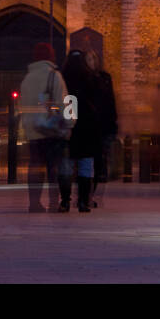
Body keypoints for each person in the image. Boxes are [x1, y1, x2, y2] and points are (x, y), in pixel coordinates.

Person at [19, 42, 71, 212]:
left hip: (32, 129)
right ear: (51, 56)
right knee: (53, 168)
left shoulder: (27, 79)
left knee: (35, 166)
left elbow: (22, 105)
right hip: (50, 129)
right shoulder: (54, 76)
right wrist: (69, 124)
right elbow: (64, 103)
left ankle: (34, 203)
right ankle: (54, 202)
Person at [61, 50, 104, 212]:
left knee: (66, 166)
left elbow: (66, 103)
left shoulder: (64, 79)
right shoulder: (91, 79)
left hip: (70, 128)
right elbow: (99, 103)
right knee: (86, 165)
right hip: (88, 129)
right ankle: (83, 201)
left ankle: (65, 200)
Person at [85, 50, 117, 208]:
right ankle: (86, 195)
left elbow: (110, 101)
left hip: (101, 126)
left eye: (92, 58)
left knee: (98, 162)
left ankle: (91, 194)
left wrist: (113, 123)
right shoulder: (82, 79)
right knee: (86, 161)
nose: (91, 62)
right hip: (86, 125)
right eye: (88, 59)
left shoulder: (104, 78)